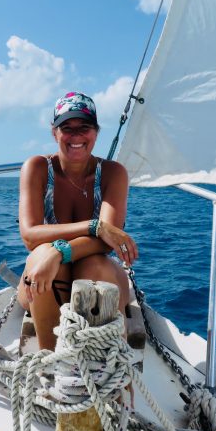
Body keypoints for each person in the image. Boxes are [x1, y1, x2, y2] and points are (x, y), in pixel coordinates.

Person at [18, 92, 138, 350]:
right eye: (66, 128)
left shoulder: (112, 173)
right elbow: (29, 236)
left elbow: (108, 243)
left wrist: (58, 251)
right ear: (54, 133)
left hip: (96, 273)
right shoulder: (37, 167)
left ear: (96, 132)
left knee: (94, 265)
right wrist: (94, 226)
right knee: (39, 254)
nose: (76, 136)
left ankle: (111, 368)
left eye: (84, 127)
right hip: (47, 282)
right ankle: (50, 363)